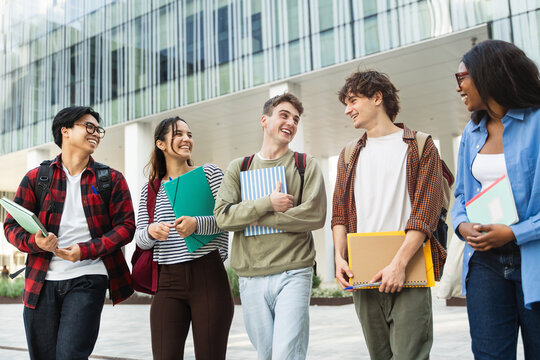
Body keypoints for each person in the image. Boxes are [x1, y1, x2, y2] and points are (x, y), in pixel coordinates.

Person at [3, 106, 135, 360]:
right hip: (41, 282)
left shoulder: (111, 179)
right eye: (89, 126)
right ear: (65, 130)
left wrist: (86, 250)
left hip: (88, 277)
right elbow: (11, 226)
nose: (96, 133)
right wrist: (36, 242)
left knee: (70, 355)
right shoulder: (36, 178)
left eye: (99, 129)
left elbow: (127, 226)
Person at [332, 70, 444, 360]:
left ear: (377, 97)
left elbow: (425, 214)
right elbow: (340, 214)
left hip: (410, 271)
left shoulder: (421, 146)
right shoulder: (348, 154)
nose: (348, 110)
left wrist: (399, 265)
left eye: (354, 100)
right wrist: (339, 257)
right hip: (364, 275)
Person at [214, 93, 326, 360]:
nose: (291, 123)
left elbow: (315, 215)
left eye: (296, 119)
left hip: (294, 271)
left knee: (286, 353)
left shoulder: (305, 165)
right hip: (250, 276)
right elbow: (223, 216)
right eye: (284, 115)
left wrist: (256, 216)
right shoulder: (239, 167)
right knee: (266, 354)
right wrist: (267, 203)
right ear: (265, 120)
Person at [451, 39, 540, 359]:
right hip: (485, 262)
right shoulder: (471, 134)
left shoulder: (537, 123)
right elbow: (461, 194)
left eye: (462, 78)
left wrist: (515, 232)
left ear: (488, 75)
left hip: (535, 258)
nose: (459, 88)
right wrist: (462, 225)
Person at [134, 116, 233, 359]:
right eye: (178, 134)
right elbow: (139, 238)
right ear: (161, 144)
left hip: (208, 276)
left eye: (189, 134)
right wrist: (151, 232)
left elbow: (228, 219)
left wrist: (196, 224)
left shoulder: (209, 173)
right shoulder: (150, 189)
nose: (186, 139)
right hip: (167, 281)